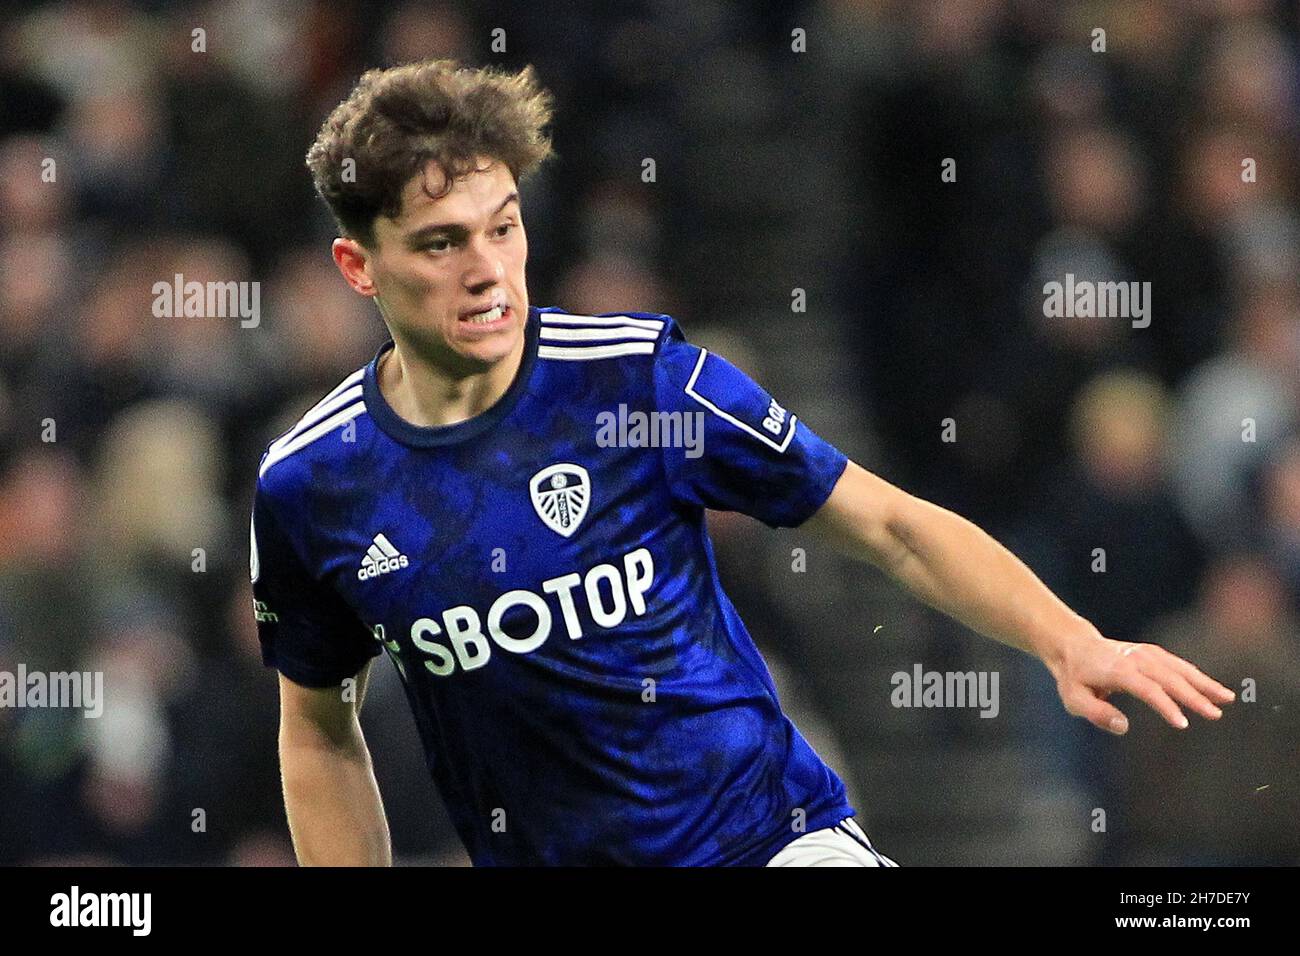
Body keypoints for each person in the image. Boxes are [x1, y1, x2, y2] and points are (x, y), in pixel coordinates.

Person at [250, 59, 1234, 866]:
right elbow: (319, 729)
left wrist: (1067, 640)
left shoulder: (640, 385)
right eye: (440, 243)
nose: (487, 268)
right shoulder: (312, 486)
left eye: (503, 226)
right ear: (358, 266)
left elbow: (888, 525)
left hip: (771, 843)